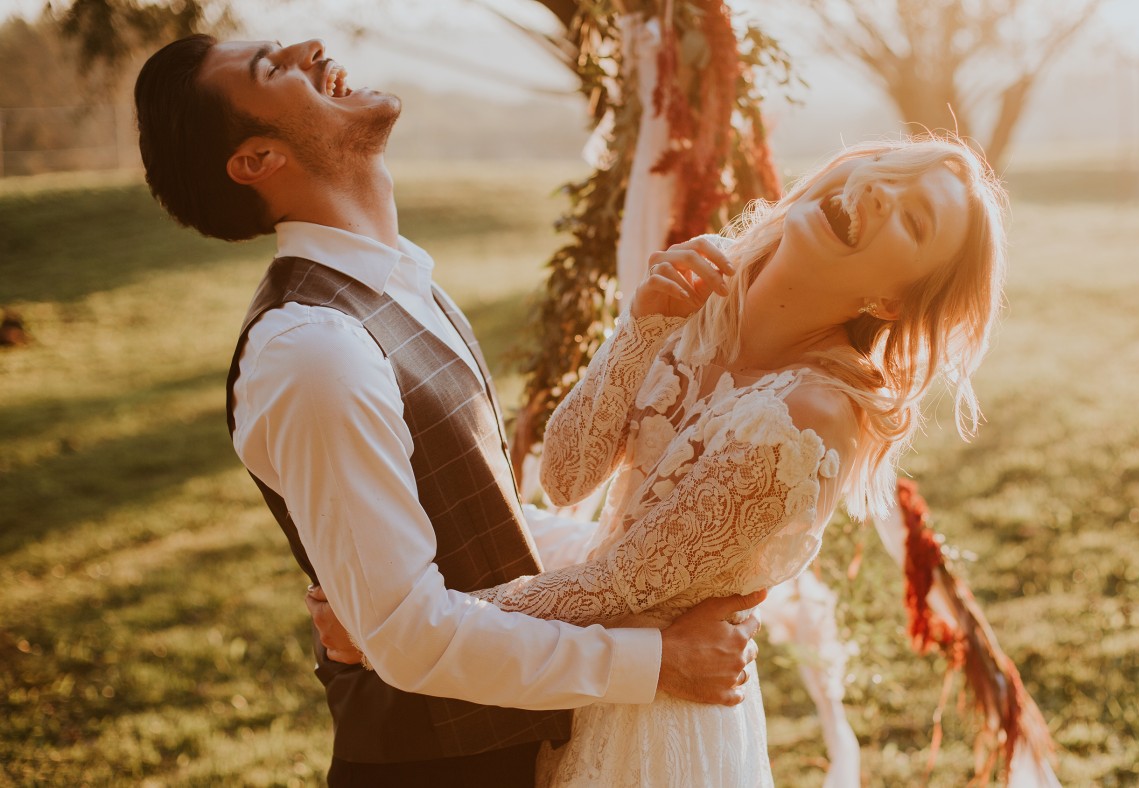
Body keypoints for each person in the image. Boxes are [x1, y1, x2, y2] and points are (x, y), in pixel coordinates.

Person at [132, 35, 764, 787]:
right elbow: (409, 634)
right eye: (274, 70)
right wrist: (657, 663)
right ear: (257, 161)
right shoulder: (314, 351)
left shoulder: (400, 284)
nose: (311, 46)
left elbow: (475, 523)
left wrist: (679, 551)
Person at [323, 135, 1009, 785]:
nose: (880, 194)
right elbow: (567, 477)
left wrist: (398, 625)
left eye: (914, 221)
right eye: (886, 171)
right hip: (578, 673)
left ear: (887, 301)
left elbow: (615, 585)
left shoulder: (811, 415)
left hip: (654, 730)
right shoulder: (702, 295)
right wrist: (642, 326)